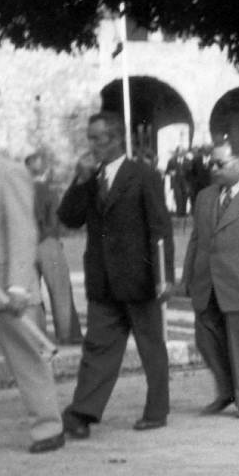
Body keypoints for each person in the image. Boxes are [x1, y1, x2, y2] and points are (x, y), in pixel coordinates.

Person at [58, 111, 175, 437]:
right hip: (103, 280)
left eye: (99, 138)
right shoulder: (90, 178)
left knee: (151, 347)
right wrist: (79, 181)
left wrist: (163, 277)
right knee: (97, 349)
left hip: (141, 279)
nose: (92, 145)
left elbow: (160, 228)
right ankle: (82, 413)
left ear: (117, 138)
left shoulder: (143, 174)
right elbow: (69, 218)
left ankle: (157, 410)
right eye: (90, 138)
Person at [0, 109, 65, 453]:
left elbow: (22, 230)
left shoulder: (8, 171)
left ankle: (48, 428)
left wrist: (18, 286)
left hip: (5, 290)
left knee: (27, 358)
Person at [181, 142, 239, 419]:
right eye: (211, 163)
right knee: (206, 339)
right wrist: (187, 277)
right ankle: (224, 390)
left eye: (220, 163)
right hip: (206, 282)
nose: (213, 168)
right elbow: (196, 240)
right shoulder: (205, 197)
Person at [24, 152, 82, 345]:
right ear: (45, 170)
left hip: (26, 244)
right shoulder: (49, 191)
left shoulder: (21, 191)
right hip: (48, 242)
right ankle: (67, 334)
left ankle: (37, 334)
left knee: (33, 294)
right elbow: (54, 220)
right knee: (60, 290)